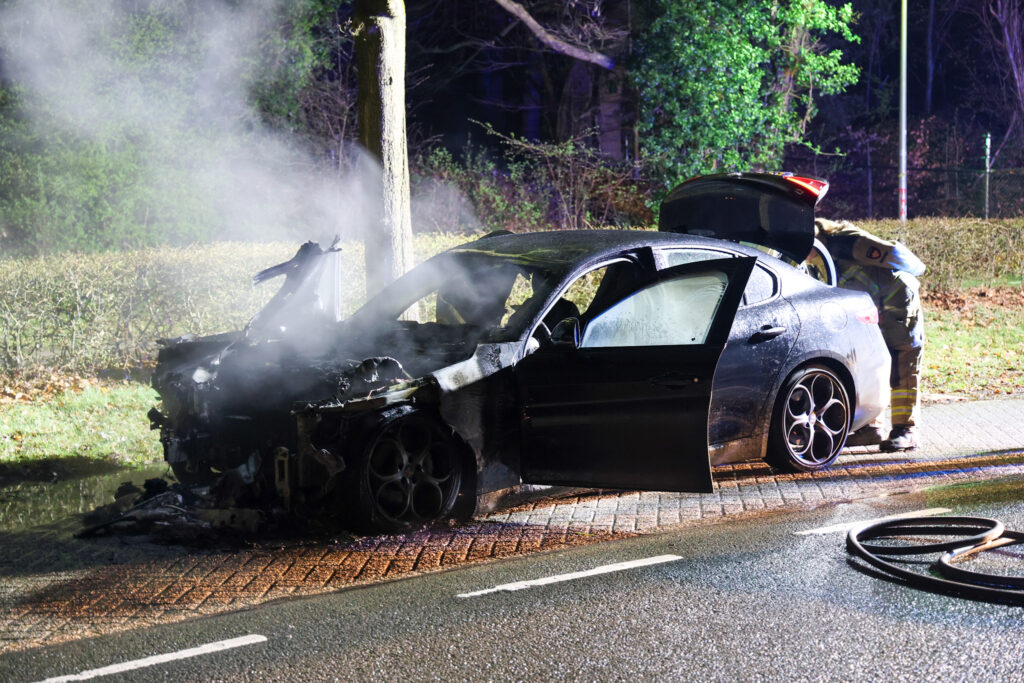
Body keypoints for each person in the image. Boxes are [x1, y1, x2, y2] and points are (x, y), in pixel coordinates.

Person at [814, 218, 926, 451]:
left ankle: (906, 430)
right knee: (871, 364)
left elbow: (900, 257)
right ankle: (871, 427)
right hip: (870, 307)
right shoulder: (819, 258)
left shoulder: (848, 243)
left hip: (898, 302)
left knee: (902, 364)